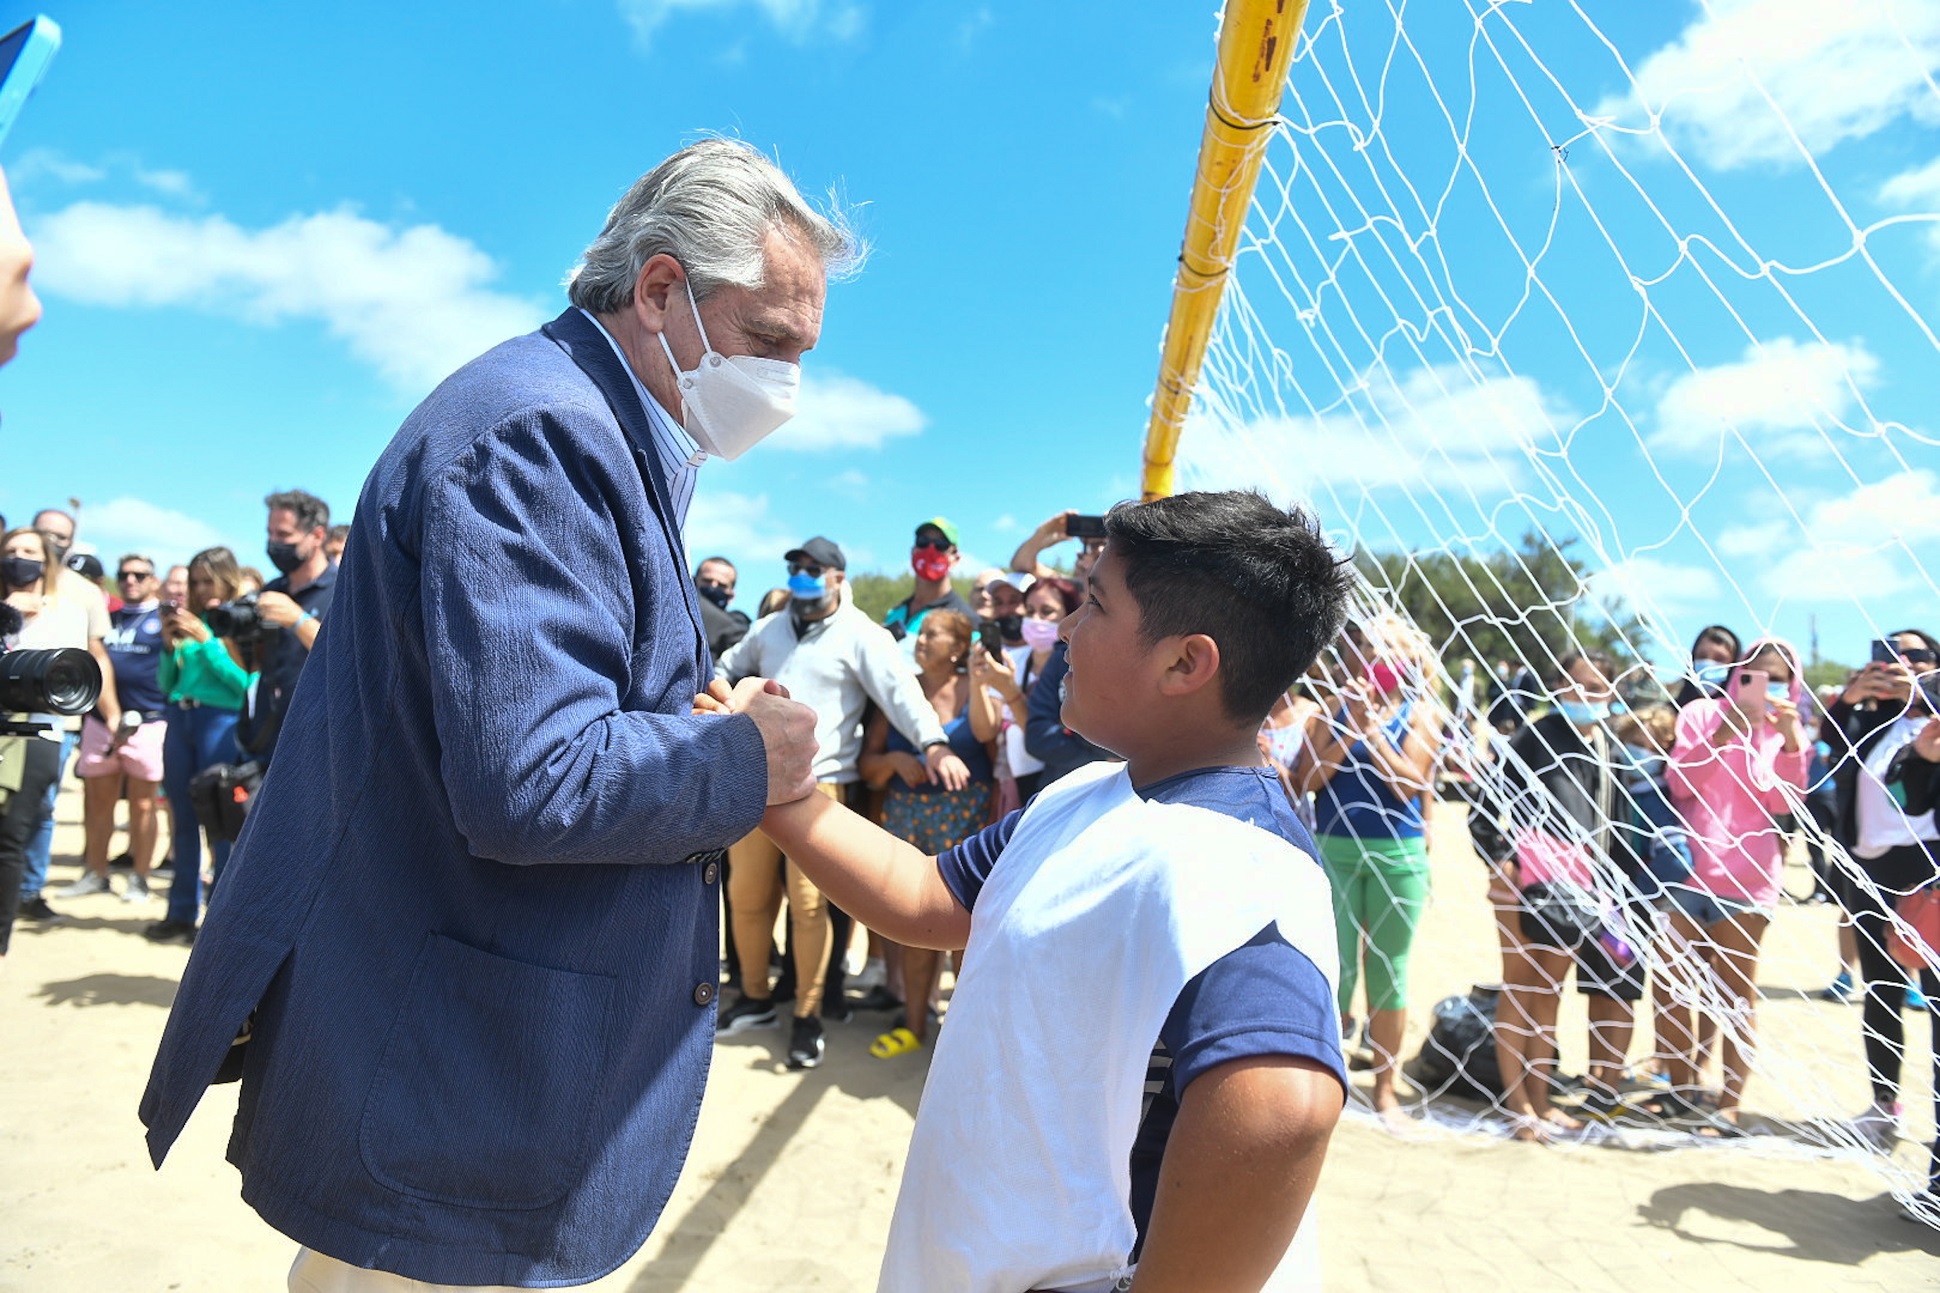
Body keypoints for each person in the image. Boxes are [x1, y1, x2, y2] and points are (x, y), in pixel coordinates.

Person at [141, 139, 847, 1289]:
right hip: (458, 1085)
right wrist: (739, 755)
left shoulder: (598, 425)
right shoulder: (544, 432)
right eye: (768, 341)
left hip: (468, 1069)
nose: (785, 382)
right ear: (660, 289)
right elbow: (539, 777)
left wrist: (689, 719)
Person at [739, 491, 1355, 1292]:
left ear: (1184, 663)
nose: (1063, 630)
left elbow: (1286, 1109)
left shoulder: (1240, 866)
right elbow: (928, 895)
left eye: (1093, 604)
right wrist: (781, 791)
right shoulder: (1086, 794)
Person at [715, 536, 968, 1069]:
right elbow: (724, 664)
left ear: (836, 576)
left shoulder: (861, 635)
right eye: (794, 566)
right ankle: (755, 997)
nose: (801, 575)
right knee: (747, 895)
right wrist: (723, 697)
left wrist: (934, 742)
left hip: (817, 784)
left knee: (809, 910)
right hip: (754, 779)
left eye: (812, 568)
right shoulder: (770, 628)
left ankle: (807, 1017)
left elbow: (902, 692)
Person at [1470, 649, 1646, 1140]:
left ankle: (1542, 1100)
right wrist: (1499, 860)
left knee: (1549, 995)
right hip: (1525, 880)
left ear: (1612, 693)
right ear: (1558, 686)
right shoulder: (1537, 734)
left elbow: (1618, 828)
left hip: (1582, 890)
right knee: (1520, 989)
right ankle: (1518, 1104)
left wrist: (1617, 894)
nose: (1585, 695)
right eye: (1576, 685)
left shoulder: (1610, 748)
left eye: (1596, 688)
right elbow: (1486, 802)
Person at [1652, 638, 1810, 1133]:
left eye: (1780, 677)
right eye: (1757, 674)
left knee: (1734, 995)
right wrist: (1721, 735)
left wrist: (1787, 742)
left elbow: (1788, 803)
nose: (1767, 685)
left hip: (1749, 880)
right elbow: (1678, 784)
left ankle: (1729, 1101)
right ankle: (1681, 1089)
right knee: (1672, 986)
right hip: (1688, 871)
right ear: (1738, 674)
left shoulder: (1789, 730)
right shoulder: (1701, 713)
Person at [1300, 615, 1438, 1124]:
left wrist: (1373, 732)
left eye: (1387, 649)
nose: (1374, 655)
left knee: (1388, 974)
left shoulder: (1421, 712)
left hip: (1396, 855)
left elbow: (1407, 785)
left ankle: (1385, 1090)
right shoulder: (1332, 706)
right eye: (1367, 645)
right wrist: (1346, 728)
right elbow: (1308, 780)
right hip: (1333, 848)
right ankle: (1324, 1080)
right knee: (1335, 969)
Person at [1821, 629, 1940, 1169]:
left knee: (1936, 1000)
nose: (1903, 664)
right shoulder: (1870, 721)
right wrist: (1849, 699)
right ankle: (1883, 1104)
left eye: (1917, 656)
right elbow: (1829, 743)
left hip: (1930, 875)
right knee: (1882, 991)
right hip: (1871, 872)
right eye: (1891, 656)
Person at [860, 609, 993, 1059]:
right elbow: (868, 765)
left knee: (965, 936)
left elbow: (996, 760)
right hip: (908, 822)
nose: (920, 640)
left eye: (932, 634)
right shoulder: (901, 692)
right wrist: (895, 763)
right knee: (918, 928)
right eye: (920, 632)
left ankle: (963, 1040)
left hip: (966, 825)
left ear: (957, 646)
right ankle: (914, 1026)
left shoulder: (976, 691)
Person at [6, 524, 120, 925]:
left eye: (31, 552)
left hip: (43, 728)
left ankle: (27, 892)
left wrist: (112, 712)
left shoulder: (73, 605)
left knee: (31, 816)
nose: (21, 559)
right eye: (13, 550)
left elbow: (88, 661)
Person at [143, 547, 252, 944]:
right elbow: (168, 685)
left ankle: (218, 921)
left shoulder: (235, 622)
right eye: (196, 581)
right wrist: (172, 649)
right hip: (181, 719)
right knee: (182, 819)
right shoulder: (190, 620)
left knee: (221, 821)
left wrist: (207, 642)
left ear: (227, 579)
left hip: (219, 721)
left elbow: (243, 685)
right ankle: (180, 912)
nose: (202, 589)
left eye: (209, 580)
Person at [58, 555, 169, 903]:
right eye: (124, 575)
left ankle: (140, 879)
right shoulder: (108, 616)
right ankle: (96, 873)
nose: (131, 580)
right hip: (100, 720)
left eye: (140, 574)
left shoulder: (164, 619)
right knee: (98, 803)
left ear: (154, 580)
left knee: (143, 805)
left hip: (148, 722)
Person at [239, 490, 336, 769]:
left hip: (317, 738)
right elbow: (255, 664)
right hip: (268, 733)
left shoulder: (341, 589)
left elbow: (346, 655)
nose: (273, 543)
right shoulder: (272, 590)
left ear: (317, 536)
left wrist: (297, 619)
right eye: (270, 533)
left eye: (284, 535)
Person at [881, 517, 973, 658]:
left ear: (955, 558)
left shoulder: (966, 619)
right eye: (923, 542)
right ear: (913, 551)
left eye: (940, 545)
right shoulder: (894, 613)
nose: (930, 550)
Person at [1009, 508, 1107, 590]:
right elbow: (1021, 565)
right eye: (1094, 545)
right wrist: (1041, 536)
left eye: (1107, 544)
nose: (1100, 550)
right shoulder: (1070, 589)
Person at [694, 554, 750, 667]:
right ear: (694, 581)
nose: (713, 586)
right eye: (707, 580)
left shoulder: (734, 628)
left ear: (731, 595)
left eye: (722, 585)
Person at [1675, 624, 1742, 709]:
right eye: (1702, 656)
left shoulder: (1745, 716)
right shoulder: (1665, 716)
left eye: (1719, 659)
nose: (1708, 664)